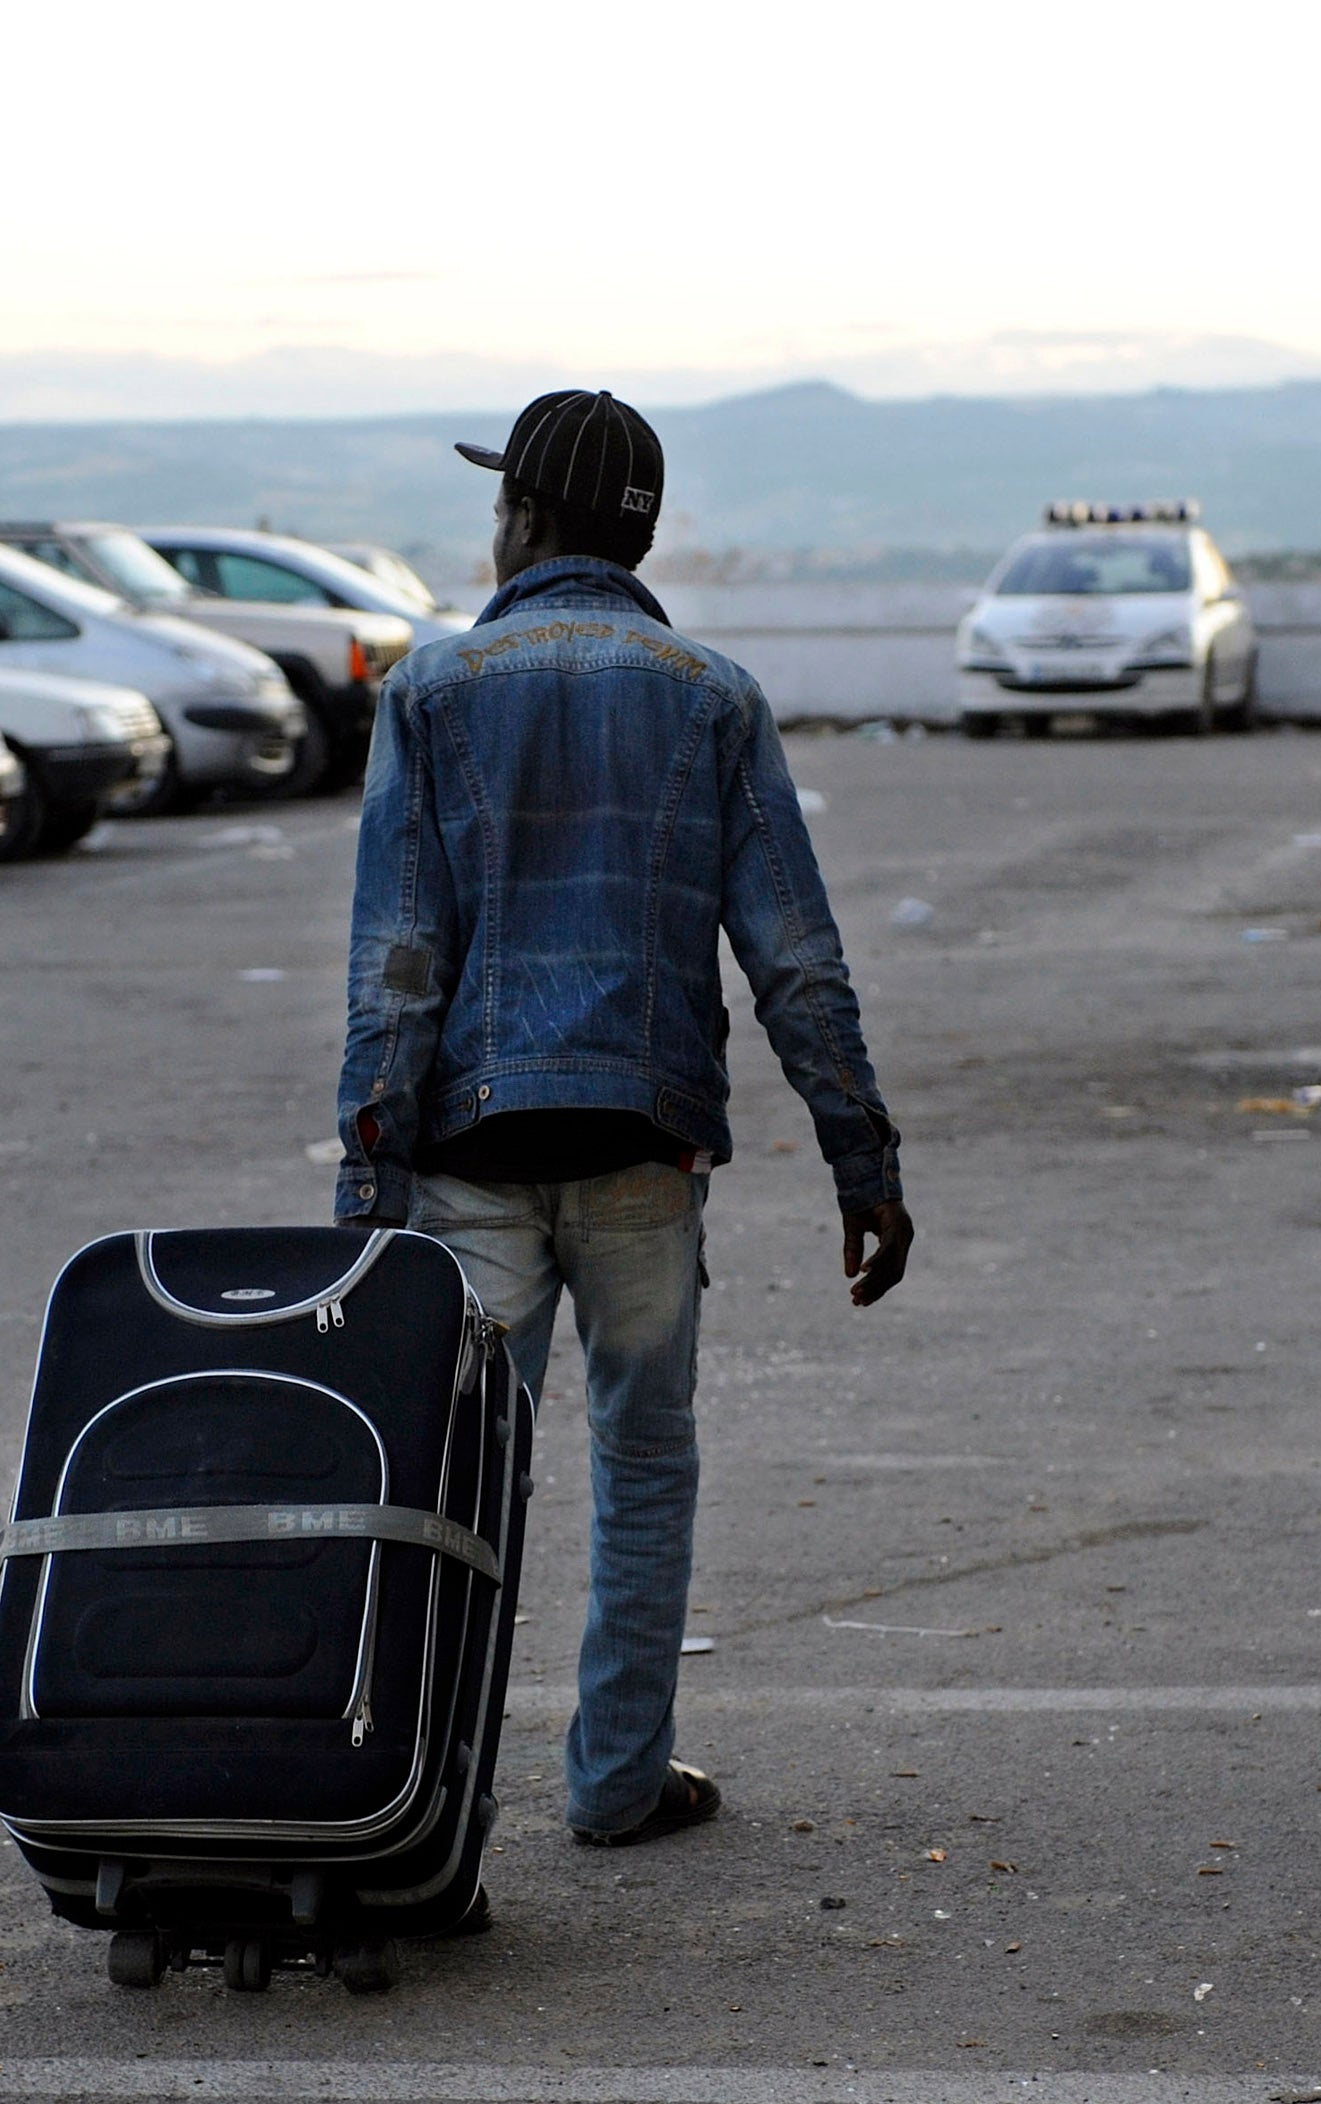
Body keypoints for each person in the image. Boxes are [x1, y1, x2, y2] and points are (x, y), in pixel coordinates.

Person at [334, 388, 916, 1852]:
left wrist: (365, 1201)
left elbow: (399, 970)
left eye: (500, 501)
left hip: (469, 1164)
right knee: (644, 1468)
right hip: (643, 1157)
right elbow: (796, 957)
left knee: (455, 1488)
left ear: (526, 516)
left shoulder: (433, 691)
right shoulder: (708, 694)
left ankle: (421, 1805)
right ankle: (613, 1781)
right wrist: (864, 1158)